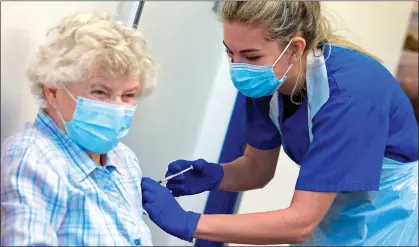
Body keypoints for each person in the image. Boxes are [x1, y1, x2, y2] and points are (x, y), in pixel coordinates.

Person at [141, 1, 418, 246]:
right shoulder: (269, 82)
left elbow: (299, 222)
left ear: (295, 48)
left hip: (393, 218)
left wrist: (191, 224)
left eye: (250, 56)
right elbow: (258, 168)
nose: (238, 67)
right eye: (230, 54)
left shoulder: (350, 94)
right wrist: (216, 175)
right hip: (333, 215)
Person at [1, 12, 157, 246]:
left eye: (128, 95)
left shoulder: (124, 159)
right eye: (100, 92)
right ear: (52, 91)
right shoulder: (32, 158)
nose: (116, 108)